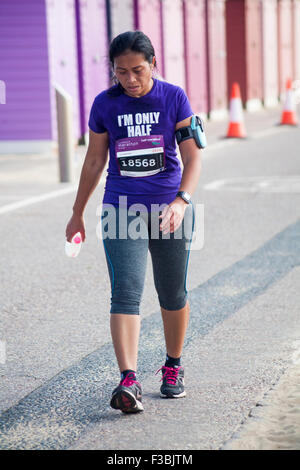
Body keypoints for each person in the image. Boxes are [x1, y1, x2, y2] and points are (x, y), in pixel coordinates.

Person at [65, 31, 202, 414]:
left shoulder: (173, 97)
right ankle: (128, 379)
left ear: (153, 64)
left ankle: (173, 366)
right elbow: (95, 161)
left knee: (172, 293)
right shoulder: (104, 105)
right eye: (121, 72)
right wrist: (77, 213)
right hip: (120, 208)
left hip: (168, 210)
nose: (130, 79)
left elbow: (193, 159)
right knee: (125, 292)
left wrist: (181, 201)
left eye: (137, 70)